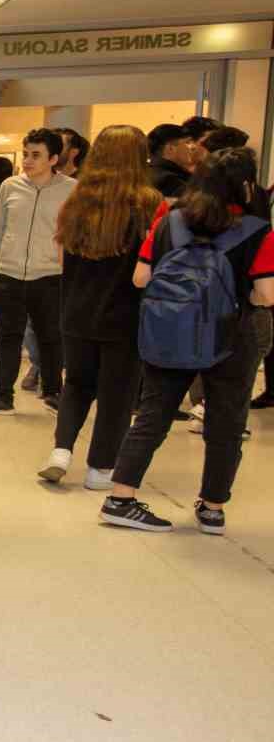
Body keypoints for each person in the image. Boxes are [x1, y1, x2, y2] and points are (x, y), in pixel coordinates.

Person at [104, 148, 274, 535]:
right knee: (226, 423)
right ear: (247, 184)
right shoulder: (258, 229)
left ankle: (121, 497)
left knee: (152, 415)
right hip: (232, 338)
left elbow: (140, 279)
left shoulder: (171, 220)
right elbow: (267, 294)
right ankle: (212, 508)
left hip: (170, 331)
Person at [34, 126, 162, 490]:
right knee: (117, 392)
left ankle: (61, 450)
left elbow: (60, 255)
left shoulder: (77, 200)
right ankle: (100, 468)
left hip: (75, 308)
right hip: (125, 313)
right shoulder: (149, 202)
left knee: (75, 382)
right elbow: (149, 267)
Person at [0, 129, 75, 416]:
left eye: (35, 155)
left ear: (53, 159)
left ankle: (54, 393)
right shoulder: (10, 187)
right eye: (26, 154)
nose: (27, 160)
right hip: (8, 275)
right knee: (9, 338)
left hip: (50, 276)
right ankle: (2, 395)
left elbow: (75, 237)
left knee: (51, 337)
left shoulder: (71, 190)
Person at [148, 123, 195, 199]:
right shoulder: (169, 180)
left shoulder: (148, 171)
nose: (193, 147)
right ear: (171, 148)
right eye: (187, 142)